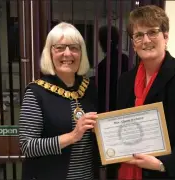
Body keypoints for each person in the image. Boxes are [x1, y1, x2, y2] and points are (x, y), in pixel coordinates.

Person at [116, 5, 175, 180]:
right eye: (138, 35)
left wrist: (163, 164)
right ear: (133, 43)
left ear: (165, 36)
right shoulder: (125, 80)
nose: (146, 40)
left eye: (152, 32)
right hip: (130, 171)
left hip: (170, 174)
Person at [19, 22, 101, 180]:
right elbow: (27, 147)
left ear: (81, 54)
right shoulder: (37, 93)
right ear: (50, 53)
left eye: (74, 48)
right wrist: (72, 136)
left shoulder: (89, 88)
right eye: (60, 48)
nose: (68, 54)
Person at [98, 25, 129, 113]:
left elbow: (101, 93)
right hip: (124, 106)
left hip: (109, 109)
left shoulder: (103, 65)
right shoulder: (125, 59)